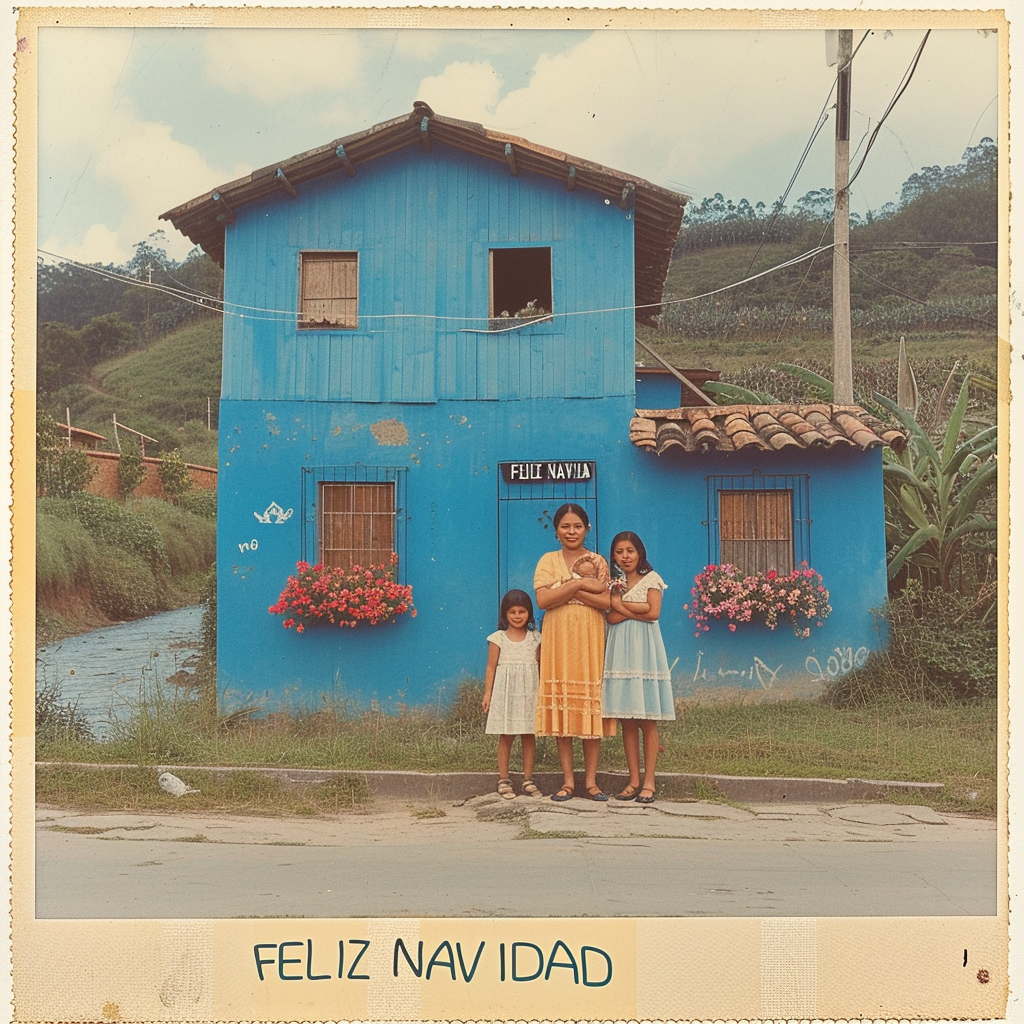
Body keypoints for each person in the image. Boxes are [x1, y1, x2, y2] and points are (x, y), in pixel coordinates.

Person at [533, 503, 615, 802]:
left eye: (577, 526)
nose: (571, 531)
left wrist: (567, 587)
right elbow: (543, 600)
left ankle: (591, 782)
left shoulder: (598, 560)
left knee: (591, 710)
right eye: (565, 526)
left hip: (591, 639)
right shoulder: (547, 560)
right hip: (558, 642)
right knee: (563, 709)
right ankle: (568, 781)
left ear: (587, 528)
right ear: (556, 531)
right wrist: (582, 584)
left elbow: (606, 601)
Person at [603, 530, 675, 805]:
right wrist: (629, 608)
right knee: (627, 718)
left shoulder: (652, 579)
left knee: (647, 718)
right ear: (614, 557)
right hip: (622, 649)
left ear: (639, 553)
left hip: (645, 650)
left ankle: (649, 782)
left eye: (630, 551)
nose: (625, 556)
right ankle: (633, 779)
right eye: (619, 552)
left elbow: (653, 612)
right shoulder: (616, 584)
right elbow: (610, 617)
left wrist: (623, 608)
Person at [481, 590, 544, 799]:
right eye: (513, 612)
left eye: (522, 611)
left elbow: (541, 667)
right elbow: (491, 667)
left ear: (529, 613)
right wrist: (488, 693)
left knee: (528, 734)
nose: (517, 616)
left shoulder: (536, 638)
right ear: (504, 614)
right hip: (506, 692)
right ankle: (504, 779)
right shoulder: (497, 638)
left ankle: (528, 780)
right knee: (506, 735)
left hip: (529, 693)